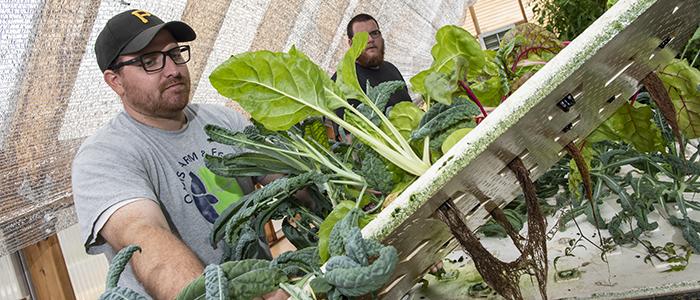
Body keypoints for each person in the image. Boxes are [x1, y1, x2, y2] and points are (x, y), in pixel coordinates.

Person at [71, 9, 284, 299]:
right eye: (150, 61)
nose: (172, 69)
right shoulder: (103, 156)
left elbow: (286, 178)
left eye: (174, 53)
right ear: (115, 81)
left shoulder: (222, 121)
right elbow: (145, 237)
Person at [331, 13, 412, 139]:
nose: (370, 39)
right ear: (351, 43)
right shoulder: (342, 81)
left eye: (374, 33)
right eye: (361, 37)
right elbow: (350, 141)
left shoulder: (391, 68)